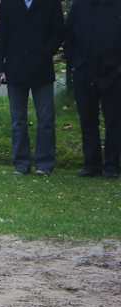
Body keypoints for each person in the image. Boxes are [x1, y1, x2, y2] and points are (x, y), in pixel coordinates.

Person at [0, 0, 64, 176]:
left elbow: (58, 32)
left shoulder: (51, 3)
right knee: (18, 120)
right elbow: (1, 35)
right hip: (15, 69)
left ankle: (44, 164)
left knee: (46, 119)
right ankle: (21, 163)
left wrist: (45, 52)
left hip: (42, 69)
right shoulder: (9, 3)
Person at [64, 0, 120, 179]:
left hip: (114, 73)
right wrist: (75, 64)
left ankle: (111, 165)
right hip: (84, 72)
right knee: (88, 120)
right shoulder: (79, 6)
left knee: (114, 121)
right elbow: (69, 36)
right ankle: (91, 164)